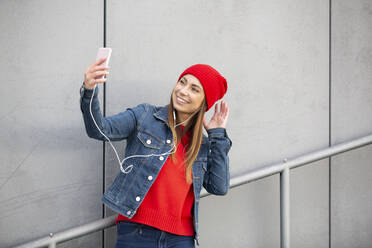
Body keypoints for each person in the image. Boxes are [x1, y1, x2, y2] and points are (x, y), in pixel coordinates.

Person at [79, 57, 232, 248]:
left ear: (204, 102)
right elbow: (99, 129)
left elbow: (219, 187)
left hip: (181, 239)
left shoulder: (202, 146)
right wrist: (89, 92)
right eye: (182, 82)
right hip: (137, 232)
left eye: (194, 89)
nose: (183, 91)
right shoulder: (144, 116)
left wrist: (217, 135)